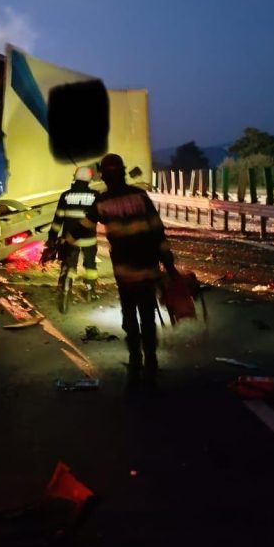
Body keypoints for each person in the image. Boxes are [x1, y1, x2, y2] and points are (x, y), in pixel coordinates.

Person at [80, 153, 178, 387]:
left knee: (130, 315)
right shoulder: (140, 196)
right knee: (147, 315)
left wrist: (60, 246)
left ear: (103, 175)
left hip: (125, 273)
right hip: (148, 268)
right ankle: (151, 360)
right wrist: (169, 265)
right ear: (123, 172)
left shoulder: (102, 202)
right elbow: (157, 230)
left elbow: (83, 227)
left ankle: (135, 359)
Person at [41, 166, 99, 299]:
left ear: (75, 178)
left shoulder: (65, 196)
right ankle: (91, 289)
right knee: (90, 265)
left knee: (69, 263)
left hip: (69, 238)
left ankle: (66, 286)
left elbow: (58, 220)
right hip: (89, 239)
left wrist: (52, 238)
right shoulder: (95, 196)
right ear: (89, 180)